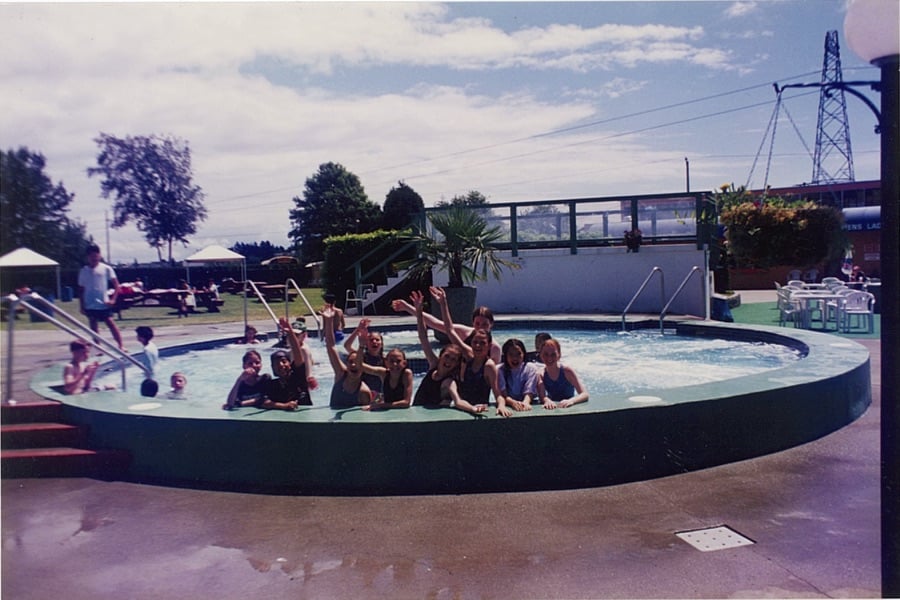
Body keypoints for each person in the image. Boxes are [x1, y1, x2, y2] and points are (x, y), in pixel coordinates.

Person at [431, 286, 501, 416]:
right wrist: (443, 303)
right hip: (462, 406)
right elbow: (449, 330)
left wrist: (501, 406)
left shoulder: (489, 365)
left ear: (489, 345)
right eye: (475, 342)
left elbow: (498, 393)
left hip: (481, 408)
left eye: (482, 343)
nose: (478, 346)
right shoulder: (469, 354)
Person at [391, 297, 501, 362]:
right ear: (472, 323)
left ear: (491, 324)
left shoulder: (495, 348)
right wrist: (407, 307)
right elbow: (435, 323)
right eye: (477, 323)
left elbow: (493, 377)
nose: (480, 327)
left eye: (485, 324)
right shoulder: (464, 332)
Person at [410, 290, 464, 408]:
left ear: (457, 364)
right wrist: (419, 312)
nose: (449, 361)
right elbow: (423, 338)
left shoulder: (450, 381)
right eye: (447, 356)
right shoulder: (434, 364)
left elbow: (458, 401)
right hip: (416, 412)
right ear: (441, 356)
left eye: (454, 360)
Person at [321, 305, 371, 409]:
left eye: (356, 362)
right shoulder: (340, 374)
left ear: (362, 366)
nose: (353, 365)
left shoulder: (364, 391)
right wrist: (329, 321)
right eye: (350, 362)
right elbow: (331, 346)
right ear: (346, 364)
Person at [263, 317, 318, 410]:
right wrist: (284, 406)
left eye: (284, 361)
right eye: (277, 363)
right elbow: (263, 402)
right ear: (272, 367)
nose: (281, 365)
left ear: (290, 364)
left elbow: (298, 354)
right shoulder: (272, 384)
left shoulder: (298, 376)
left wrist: (290, 333)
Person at [77, 243, 124, 351]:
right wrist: (82, 305)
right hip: (90, 303)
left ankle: (121, 345)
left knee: (111, 324)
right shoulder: (84, 271)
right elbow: (81, 289)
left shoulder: (106, 268)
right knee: (93, 326)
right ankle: (99, 348)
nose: (94, 258)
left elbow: (117, 286)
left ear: (99, 255)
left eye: (96, 256)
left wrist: (113, 299)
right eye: (91, 256)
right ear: (87, 257)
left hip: (104, 303)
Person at [536, 338, 589, 409]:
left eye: (553, 354)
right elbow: (542, 396)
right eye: (546, 354)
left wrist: (571, 401)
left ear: (559, 355)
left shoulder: (567, 371)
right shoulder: (541, 374)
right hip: (553, 407)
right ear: (541, 355)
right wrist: (547, 401)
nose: (549, 358)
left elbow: (585, 394)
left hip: (569, 406)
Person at [496, 338, 540, 415]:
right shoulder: (499, 370)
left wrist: (525, 403)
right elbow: (503, 394)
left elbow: (529, 391)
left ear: (524, 354)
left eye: (518, 354)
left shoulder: (531, 368)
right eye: (511, 354)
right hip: (508, 402)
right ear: (505, 355)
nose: (515, 358)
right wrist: (513, 403)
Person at [343, 318, 385, 394]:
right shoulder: (360, 356)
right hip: (365, 392)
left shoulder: (385, 359)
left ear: (381, 344)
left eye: (377, 340)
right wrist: (358, 329)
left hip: (380, 394)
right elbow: (347, 346)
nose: (374, 342)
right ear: (366, 343)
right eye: (371, 340)